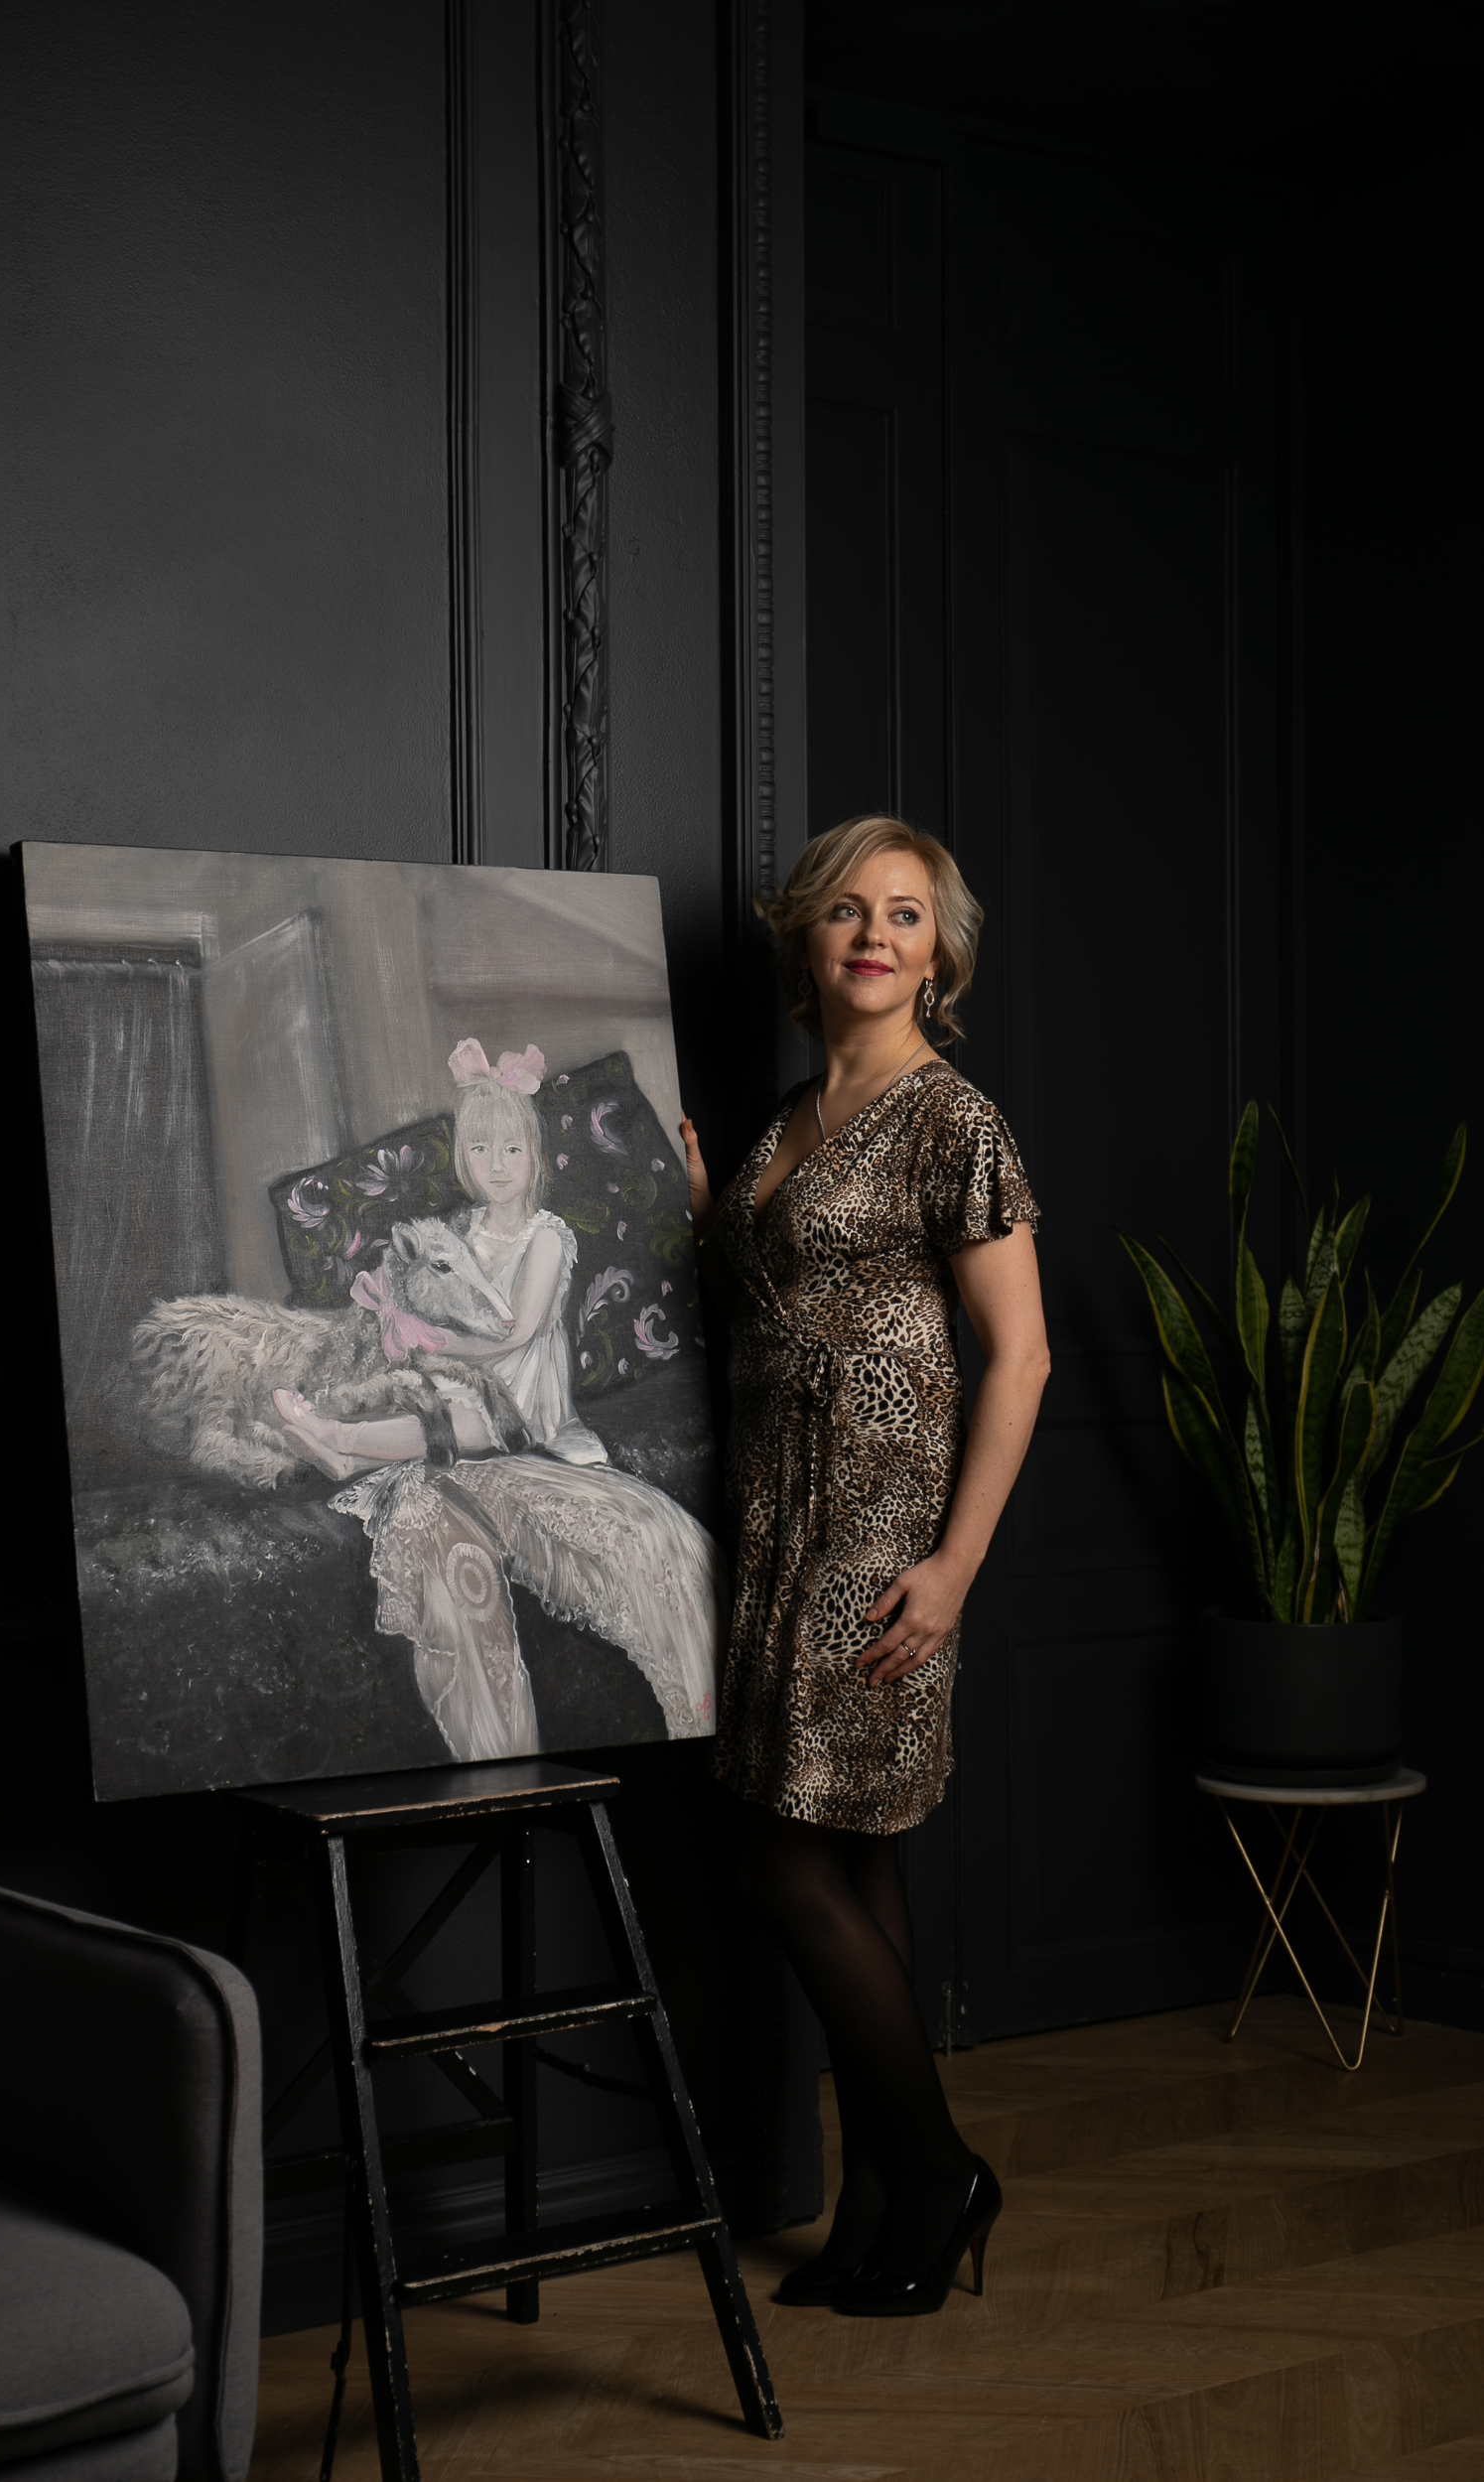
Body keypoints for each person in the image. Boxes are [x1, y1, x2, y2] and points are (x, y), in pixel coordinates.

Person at [679, 813, 1049, 2320]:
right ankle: (883, 2196)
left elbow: (1020, 1356)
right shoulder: (788, 1118)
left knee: (780, 1861)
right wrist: (702, 1211)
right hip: (774, 1520)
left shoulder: (953, 1119)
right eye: (845, 910)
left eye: (903, 913)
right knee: (851, 1854)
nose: (873, 935)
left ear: (937, 953)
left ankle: (941, 2171)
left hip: (880, 1538)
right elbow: (764, 1306)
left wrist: (954, 1566)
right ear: (806, 940)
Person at [273, 1042, 720, 1763]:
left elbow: (517, 1331)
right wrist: (401, 1323)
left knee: (477, 1422)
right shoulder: (457, 1232)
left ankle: (342, 1443)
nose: (498, 1165)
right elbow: (431, 1295)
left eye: (512, 1149)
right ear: (463, 1160)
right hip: (463, 1383)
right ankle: (341, 1445)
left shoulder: (546, 1238)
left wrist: (435, 1342)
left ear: (535, 1158)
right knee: (439, 1413)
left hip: (525, 1399)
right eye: (481, 1150)